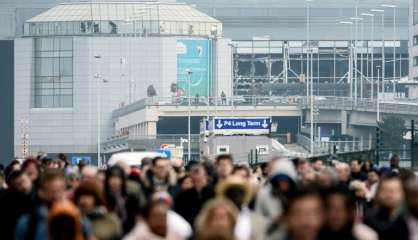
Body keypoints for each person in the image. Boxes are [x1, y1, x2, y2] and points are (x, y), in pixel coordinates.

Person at [15, 169, 92, 240]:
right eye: (51, 191)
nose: (56, 196)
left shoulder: (80, 220)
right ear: (41, 193)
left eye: (59, 191)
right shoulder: (28, 223)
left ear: (66, 192)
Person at [364, 175, 405, 240]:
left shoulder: (410, 219)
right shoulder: (368, 219)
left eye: (396, 190)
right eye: (385, 190)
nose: (390, 195)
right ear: (378, 193)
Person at [105, 166, 142, 233]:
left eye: (117, 178)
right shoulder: (103, 197)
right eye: (111, 178)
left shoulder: (131, 198)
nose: (114, 181)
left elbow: (136, 217)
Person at [0, 170, 36, 239]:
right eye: (19, 184)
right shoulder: (8, 200)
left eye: (24, 181)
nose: (23, 185)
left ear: (29, 179)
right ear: (14, 186)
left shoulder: (40, 194)